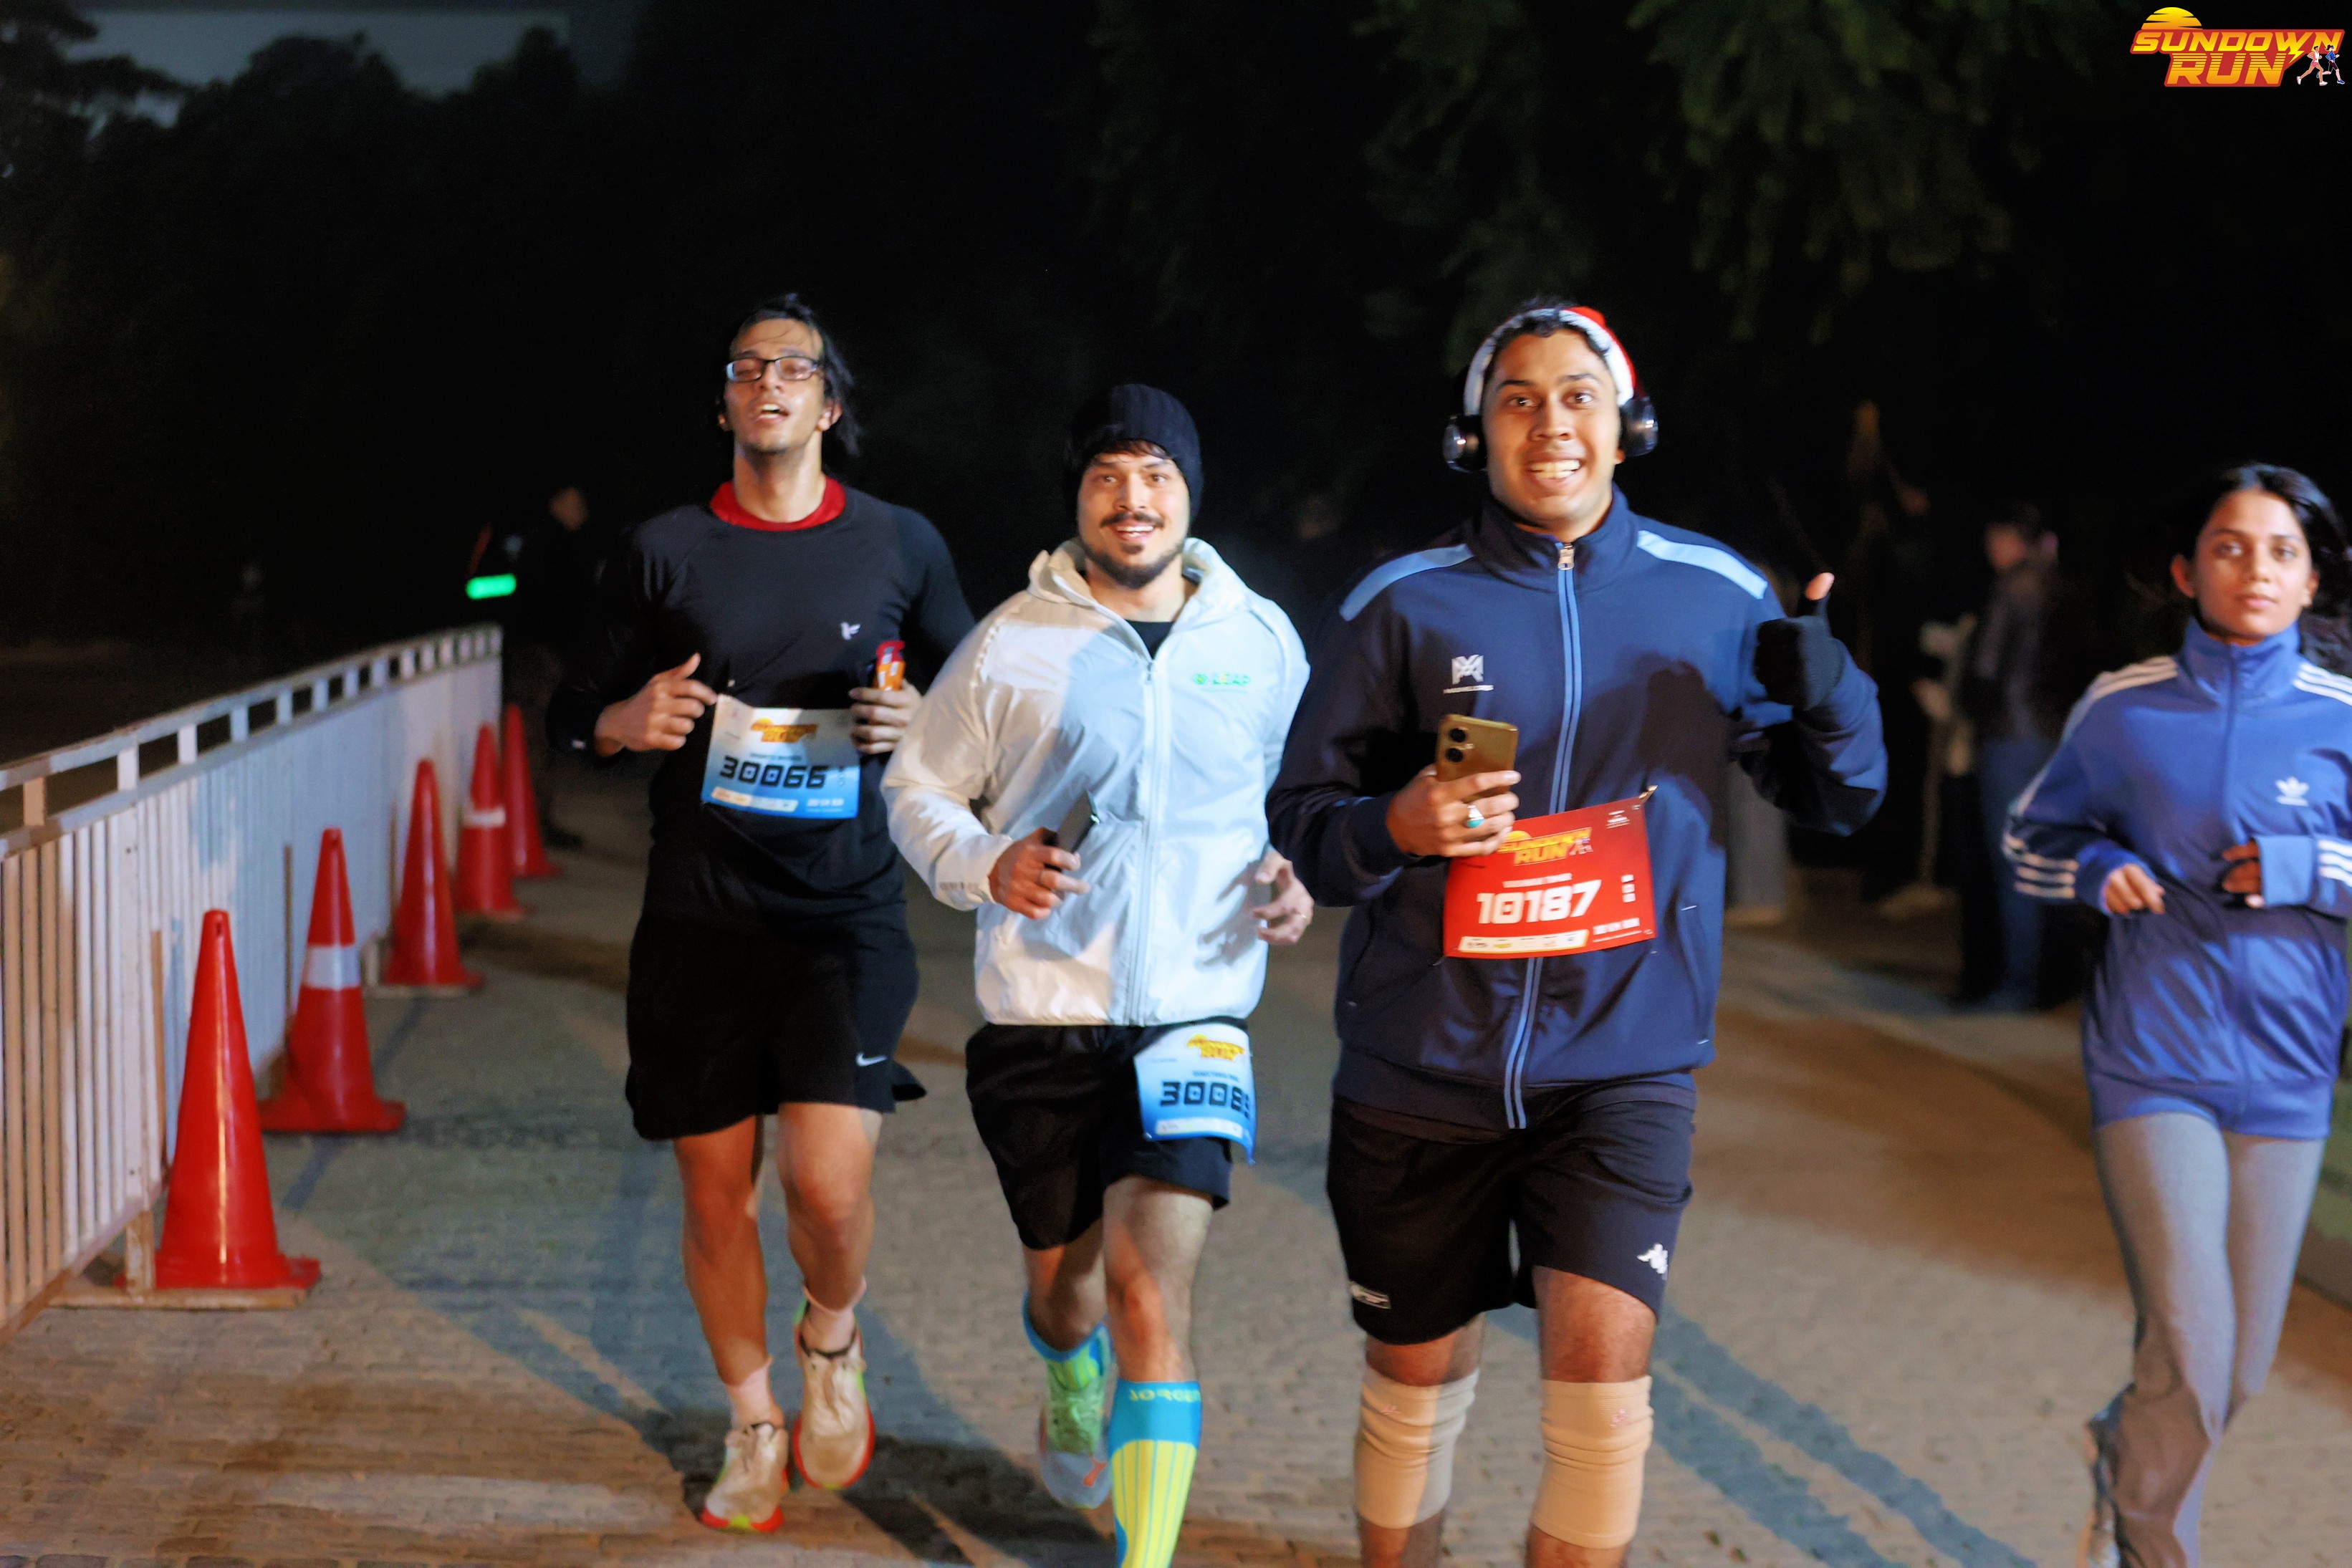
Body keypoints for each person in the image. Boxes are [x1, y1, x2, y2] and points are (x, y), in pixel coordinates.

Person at [1267, 299, 1886, 1568]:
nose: (1548, 421)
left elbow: (1840, 800)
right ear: (1474, 435)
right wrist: (1395, 822)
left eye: (1576, 396)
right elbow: (1307, 830)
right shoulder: (1401, 603)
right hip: (1420, 1060)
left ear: (1625, 426)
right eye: (1517, 398)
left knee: (1603, 1398)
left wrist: (1832, 693)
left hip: (1623, 1062)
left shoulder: (1717, 593)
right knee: (1413, 1380)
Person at [547, 294, 974, 1531]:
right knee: (712, 1194)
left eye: (793, 367)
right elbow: (571, 707)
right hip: (700, 914)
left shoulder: (899, 543)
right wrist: (620, 720)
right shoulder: (663, 549)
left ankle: (830, 1340)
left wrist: (922, 723)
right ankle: (751, 1424)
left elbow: (979, 701)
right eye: (746, 368)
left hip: (844, 913)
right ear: (724, 402)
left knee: (826, 1189)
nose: (768, 383)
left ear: (829, 404)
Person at [883, 385, 1312, 1568]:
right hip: (1043, 1015)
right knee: (1069, 1298)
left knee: (1148, 1298)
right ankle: (1064, 1369)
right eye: (1108, 476)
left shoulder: (1259, 640)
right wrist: (984, 862)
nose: (1134, 498)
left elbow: (1290, 800)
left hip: (1195, 1017)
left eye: (1156, 475)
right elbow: (916, 786)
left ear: (1189, 492)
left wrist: (1294, 875)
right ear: (1077, 497)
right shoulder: (1011, 641)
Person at [2005, 465, 2352, 1568]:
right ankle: (2157, 1547)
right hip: (2151, 1059)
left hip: (2288, 1075)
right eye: (2228, 546)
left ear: (2310, 580)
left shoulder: (2339, 717)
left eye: (2280, 551)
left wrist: (2307, 866)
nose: (2254, 569)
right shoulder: (2124, 706)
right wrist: (2093, 867)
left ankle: (2121, 1453)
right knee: (2191, 1352)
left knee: (2233, 1374)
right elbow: (2029, 837)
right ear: (2184, 570)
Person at [1962, 504, 2061, 1009]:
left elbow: (1986, 668)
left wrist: (1966, 715)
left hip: (2008, 735)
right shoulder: (2059, 586)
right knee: (2047, 858)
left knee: (2010, 862)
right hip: (2052, 735)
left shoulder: (2009, 589)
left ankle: (2017, 981)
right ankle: (2051, 976)